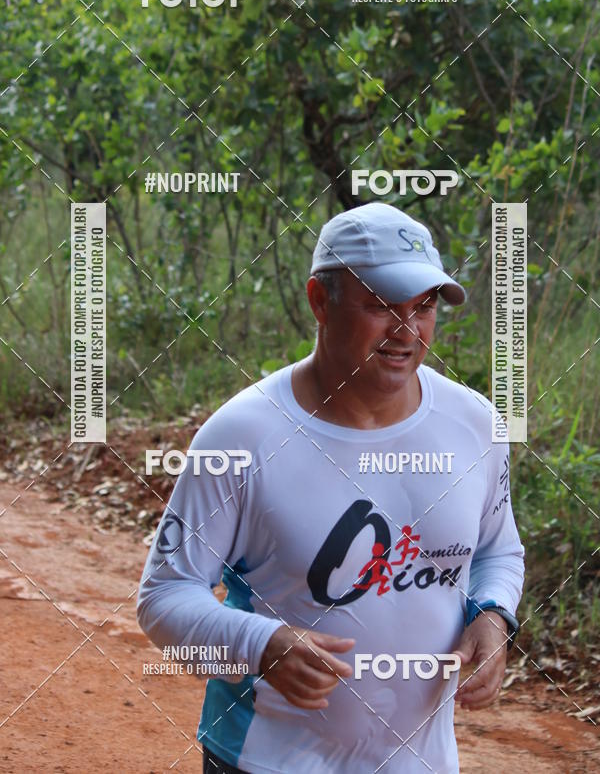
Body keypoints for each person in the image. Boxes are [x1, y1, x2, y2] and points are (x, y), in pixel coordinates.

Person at [137, 202, 525, 773]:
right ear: (321, 300)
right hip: (264, 759)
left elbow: (499, 550)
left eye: (423, 307)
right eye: (379, 306)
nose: (405, 330)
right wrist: (259, 645)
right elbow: (165, 596)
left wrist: (493, 617)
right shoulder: (242, 435)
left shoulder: (475, 426)